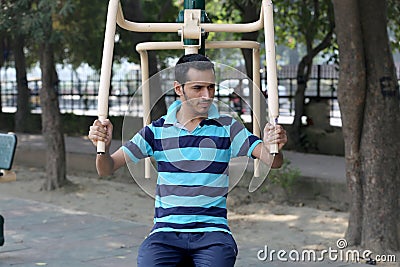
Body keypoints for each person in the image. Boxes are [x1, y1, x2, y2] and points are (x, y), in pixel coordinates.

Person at [88, 54, 287, 266]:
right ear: (178, 88)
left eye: (211, 87)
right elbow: (106, 168)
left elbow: (273, 162)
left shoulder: (228, 127)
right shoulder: (156, 131)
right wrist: (103, 149)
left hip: (213, 233)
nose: (207, 95)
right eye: (197, 88)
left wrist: (273, 145)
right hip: (166, 233)